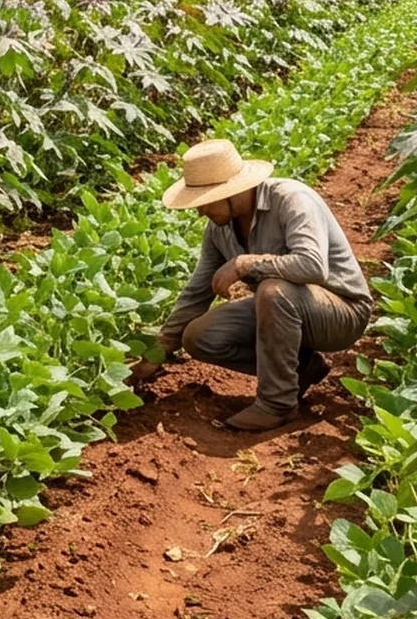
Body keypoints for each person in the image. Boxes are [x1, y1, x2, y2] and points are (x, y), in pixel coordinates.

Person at [136, 139, 372, 431]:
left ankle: (278, 404)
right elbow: (197, 291)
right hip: (283, 308)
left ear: (231, 191)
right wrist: (158, 352)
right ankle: (301, 368)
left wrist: (245, 263)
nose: (200, 212)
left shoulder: (291, 199)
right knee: (198, 336)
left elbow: (313, 266)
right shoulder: (218, 230)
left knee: (273, 290)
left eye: (206, 201)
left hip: (341, 311)